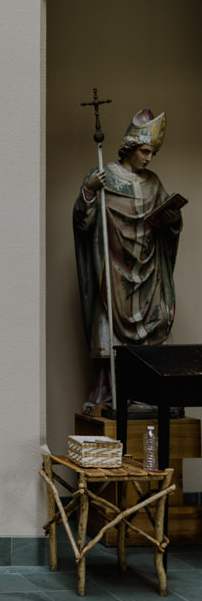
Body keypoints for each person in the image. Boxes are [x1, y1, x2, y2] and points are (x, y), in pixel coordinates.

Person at [73, 109, 184, 409]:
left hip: (148, 274)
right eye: (145, 151)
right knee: (109, 331)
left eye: (152, 153)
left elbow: (166, 228)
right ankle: (110, 396)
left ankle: (148, 396)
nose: (148, 159)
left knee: (158, 324)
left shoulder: (154, 183)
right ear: (130, 147)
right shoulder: (103, 176)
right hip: (114, 270)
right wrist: (88, 193)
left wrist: (172, 220)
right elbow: (83, 225)